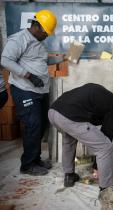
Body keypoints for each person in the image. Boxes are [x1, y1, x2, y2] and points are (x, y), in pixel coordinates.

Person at [48, 83, 113, 193]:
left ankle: (69, 176)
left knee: (69, 140)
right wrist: (97, 167)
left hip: (53, 113)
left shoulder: (104, 96)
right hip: (68, 116)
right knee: (105, 147)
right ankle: (106, 189)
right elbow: (107, 135)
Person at [1, 10, 57, 175]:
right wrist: (29, 76)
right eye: (46, 32)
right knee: (33, 125)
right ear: (37, 26)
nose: (47, 35)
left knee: (41, 125)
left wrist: (64, 58)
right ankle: (27, 164)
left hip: (40, 91)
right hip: (25, 89)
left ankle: (35, 159)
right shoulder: (19, 39)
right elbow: (5, 60)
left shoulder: (38, 42)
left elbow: (42, 61)